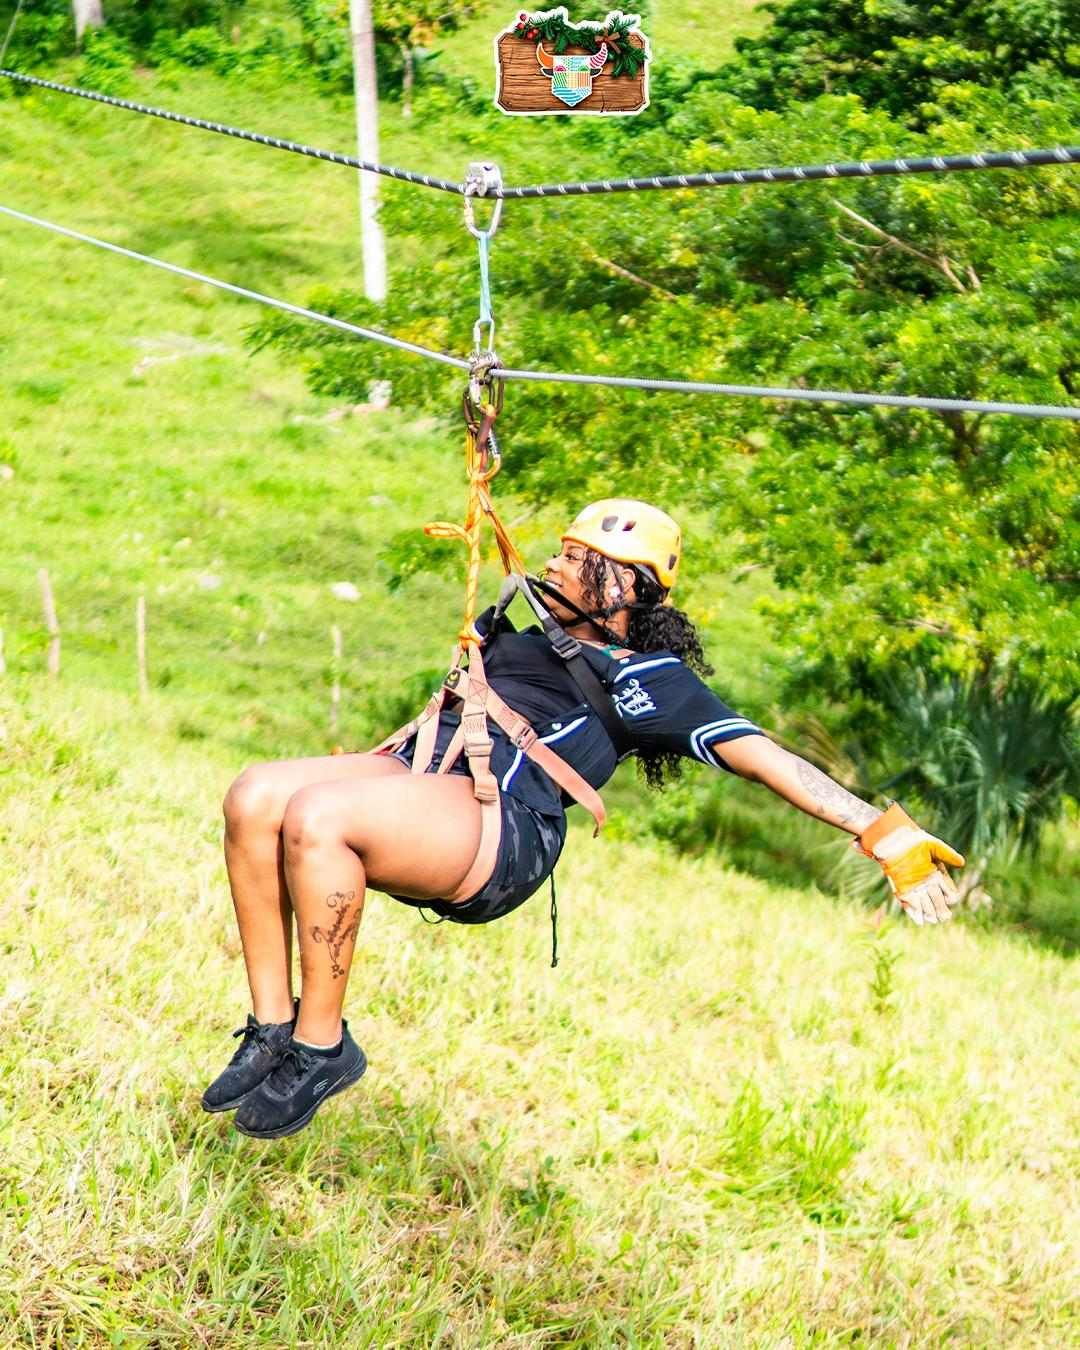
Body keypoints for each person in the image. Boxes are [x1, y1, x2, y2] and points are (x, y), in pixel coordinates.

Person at [203, 499, 964, 1139]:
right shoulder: (530, 633)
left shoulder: (653, 682)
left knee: (316, 817)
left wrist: (882, 833)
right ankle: (274, 1028)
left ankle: (322, 1044)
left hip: (502, 829)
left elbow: (768, 759)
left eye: (580, 556)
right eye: (563, 550)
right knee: (256, 794)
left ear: (629, 586)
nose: (559, 564)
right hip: (430, 780)